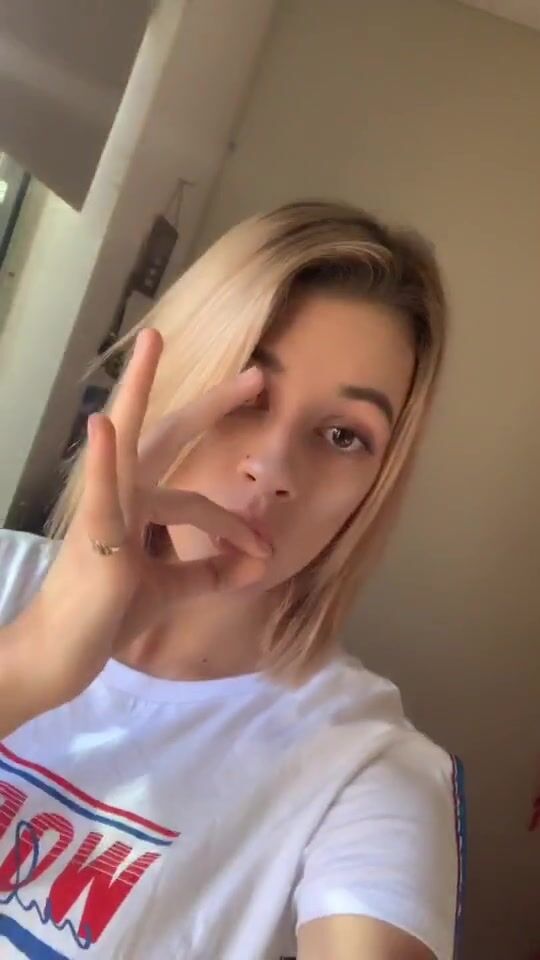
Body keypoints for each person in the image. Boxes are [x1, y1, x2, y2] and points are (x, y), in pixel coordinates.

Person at [0, 201, 465, 960]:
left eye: (343, 435)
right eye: (248, 396)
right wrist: (32, 663)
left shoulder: (365, 771)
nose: (273, 468)